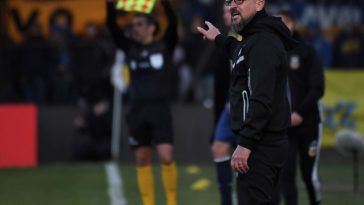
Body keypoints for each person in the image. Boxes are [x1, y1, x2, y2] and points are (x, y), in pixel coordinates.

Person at [197, 0, 297, 204]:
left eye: (239, 0)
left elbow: (261, 98)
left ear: (260, 4)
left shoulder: (263, 42)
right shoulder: (252, 39)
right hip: (262, 143)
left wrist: (245, 144)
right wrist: (218, 38)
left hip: (261, 146)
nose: (233, 5)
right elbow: (238, 52)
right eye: (229, 1)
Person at [106, 1, 178, 205]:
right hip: (137, 110)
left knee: (166, 156)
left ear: (151, 27)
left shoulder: (165, 46)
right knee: (142, 158)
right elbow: (112, 26)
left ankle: (172, 201)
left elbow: (172, 23)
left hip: (160, 109)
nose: (134, 28)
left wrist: (164, 3)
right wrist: (110, 5)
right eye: (133, 25)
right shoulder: (130, 48)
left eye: (139, 24)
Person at [274, 10, 325, 205]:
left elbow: (317, 88)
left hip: (308, 124)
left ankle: (315, 201)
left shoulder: (307, 51)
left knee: (308, 175)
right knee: (286, 175)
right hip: (285, 126)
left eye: (282, 23)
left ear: (292, 25)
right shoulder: (272, 52)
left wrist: (299, 113)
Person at [210, 4, 241, 205]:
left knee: (246, 157)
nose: (226, 16)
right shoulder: (225, 41)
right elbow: (220, 81)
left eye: (229, 11)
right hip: (230, 107)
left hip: (249, 106)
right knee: (219, 148)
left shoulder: (252, 37)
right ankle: (226, 200)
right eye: (223, 12)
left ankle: (245, 197)